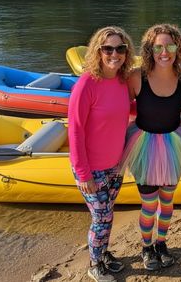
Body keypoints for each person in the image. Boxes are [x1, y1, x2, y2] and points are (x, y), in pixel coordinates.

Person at [120, 24, 181, 271]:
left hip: (174, 144)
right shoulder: (136, 76)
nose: (165, 52)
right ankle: (146, 246)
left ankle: (161, 243)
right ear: (149, 49)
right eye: (158, 47)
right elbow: (117, 106)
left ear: (178, 48)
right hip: (144, 145)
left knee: (167, 201)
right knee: (149, 203)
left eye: (171, 46)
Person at [68, 26, 135, 282]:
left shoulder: (121, 81)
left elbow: (127, 111)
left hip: (114, 165)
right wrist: (83, 173)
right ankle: (95, 264)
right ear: (98, 51)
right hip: (91, 168)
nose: (114, 54)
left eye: (120, 48)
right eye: (108, 49)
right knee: (101, 217)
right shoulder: (87, 83)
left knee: (108, 213)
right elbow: (74, 131)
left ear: (126, 52)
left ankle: (104, 254)